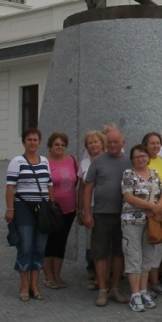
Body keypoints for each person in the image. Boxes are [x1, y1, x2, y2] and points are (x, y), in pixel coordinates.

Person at [5, 128, 54, 302]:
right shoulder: (17, 161)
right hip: (23, 208)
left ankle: (35, 285)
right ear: (24, 142)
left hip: (42, 209)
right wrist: (10, 209)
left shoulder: (45, 161)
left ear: (39, 142)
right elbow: (10, 187)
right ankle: (24, 285)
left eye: (35, 140)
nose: (32, 142)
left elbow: (49, 185)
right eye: (29, 139)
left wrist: (51, 206)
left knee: (39, 248)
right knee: (25, 246)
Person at [83, 128, 131, 307]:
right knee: (101, 253)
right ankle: (102, 290)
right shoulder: (98, 161)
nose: (112, 145)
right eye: (109, 142)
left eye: (115, 142)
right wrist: (87, 212)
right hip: (101, 214)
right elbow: (88, 188)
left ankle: (116, 289)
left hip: (123, 214)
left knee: (119, 253)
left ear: (122, 143)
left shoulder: (128, 162)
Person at [121, 144, 162, 312]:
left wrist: (157, 207)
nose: (141, 159)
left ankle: (143, 290)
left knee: (147, 256)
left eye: (143, 156)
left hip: (151, 222)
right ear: (132, 159)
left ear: (148, 158)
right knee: (134, 256)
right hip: (132, 222)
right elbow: (128, 196)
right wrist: (150, 205)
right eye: (137, 156)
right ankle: (134, 295)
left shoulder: (154, 174)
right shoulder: (128, 174)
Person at [43, 131, 78, 290]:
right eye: (56, 144)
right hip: (50, 210)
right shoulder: (44, 161)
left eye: (62, 145)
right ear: (50, 146)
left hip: (69, 209)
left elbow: (76, 181)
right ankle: (48, 277)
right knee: (49, 242)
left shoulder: (71, 160)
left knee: (61, 242)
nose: (59, 147)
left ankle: (57, 275)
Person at [144, 131, 162, 296]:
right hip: (152, 210)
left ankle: (154, 281)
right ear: (145, 145)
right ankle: (146, 283)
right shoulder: (144, 161)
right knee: (150, 246)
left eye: (157, 143)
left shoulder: (160, 160)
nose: (155, 146)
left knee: (159, 247)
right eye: (152, 143)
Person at [77, 130, 105, 284]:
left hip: (107, 206)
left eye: (96, 141)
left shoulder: (109, 160)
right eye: (90, 143)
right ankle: (93, 269)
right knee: (91, 240)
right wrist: (81, 209)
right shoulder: (84, 163)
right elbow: (81, 188)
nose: (93, 145)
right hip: (91, 206)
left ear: (102, 143)